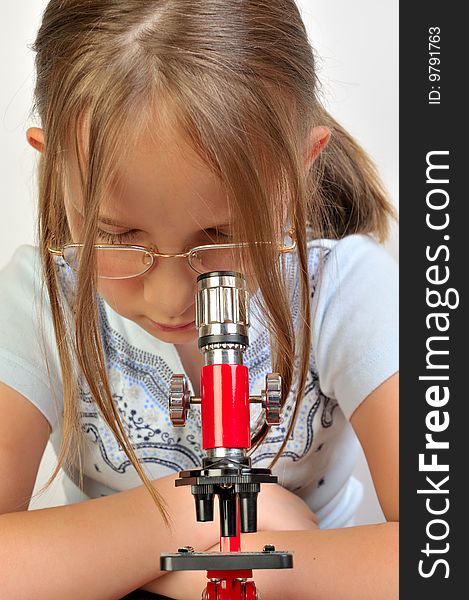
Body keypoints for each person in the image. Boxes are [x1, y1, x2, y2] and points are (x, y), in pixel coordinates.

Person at [0, 1, 398, 598]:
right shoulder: (39, 298)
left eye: (220, 234)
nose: (170, 295)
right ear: (55, 166)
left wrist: (270, 572)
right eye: (118, 235)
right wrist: (194, 513)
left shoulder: (348, 289)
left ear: (299, 168)